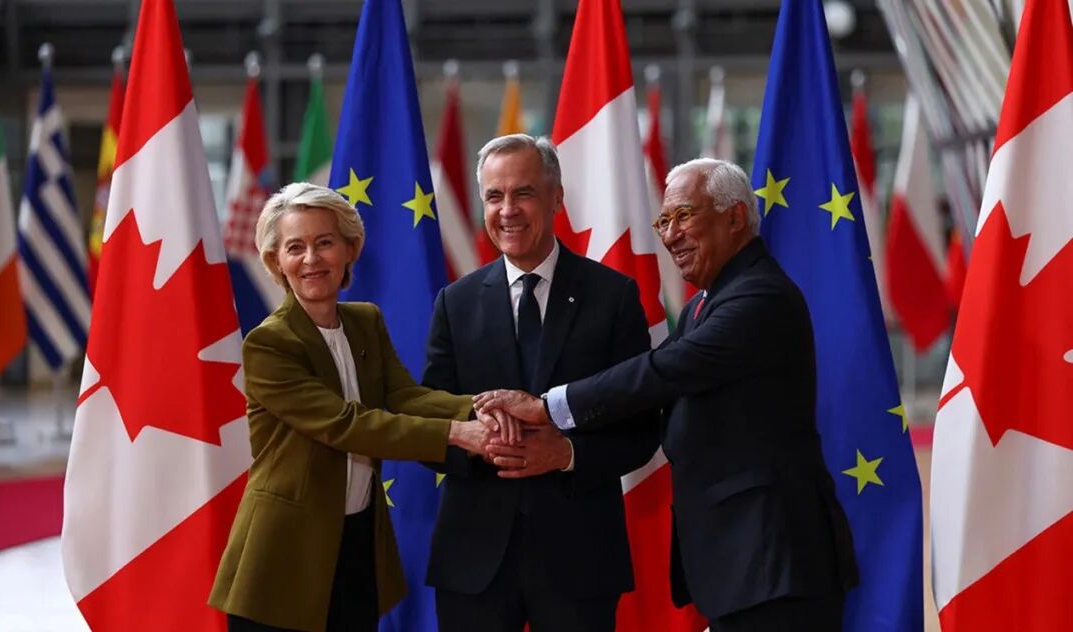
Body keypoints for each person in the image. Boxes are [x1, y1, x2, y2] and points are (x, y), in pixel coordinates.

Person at [475, 158, 859, 631]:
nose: (670, 234)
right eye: (663, 221)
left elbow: (661, 372)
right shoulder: (706, 303)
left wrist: (547, 406)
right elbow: (646, 390)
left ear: (735, 217)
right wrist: (569, 449)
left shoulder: (760, 297)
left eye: (683, 215)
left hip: (775, 561)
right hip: (744, 566)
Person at [208, 182, 499, 632]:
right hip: (282, 556)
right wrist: (456, 434)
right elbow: (345, 424)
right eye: (295, 247)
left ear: (349, 248)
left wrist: (483, 409)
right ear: (276, 261)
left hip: (357, 543)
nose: (311, 259)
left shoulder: (365, 320)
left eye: (324, 243)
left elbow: (406, 397)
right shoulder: (269, 342)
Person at [422, 134, 659, 632]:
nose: (507, 210)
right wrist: (478, 441)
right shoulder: (455, 301)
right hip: (474, 560)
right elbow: (429, 421)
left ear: (556, 198)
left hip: (580, 557)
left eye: (523, 193)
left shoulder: (613, 296)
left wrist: (566, 454)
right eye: (494, 195)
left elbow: (643, 428)